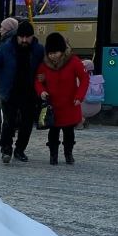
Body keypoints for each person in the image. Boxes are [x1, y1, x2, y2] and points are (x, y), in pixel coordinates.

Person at [0, 19, 44, 165]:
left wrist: (44, 78)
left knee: (27, 124)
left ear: (32, 37)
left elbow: (46, 67)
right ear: (17, 36)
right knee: (8, 123)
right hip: (9, 91)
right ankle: (6, 148)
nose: (24, 40)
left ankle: (20, 150)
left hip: (30, 92)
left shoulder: (38, 50)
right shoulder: (6, 48)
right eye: (21, 37)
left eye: (27, 37)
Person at [35, 32, 90, 165]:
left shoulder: (73, 61)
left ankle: (68, 154)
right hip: (52, 105)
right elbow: (37, 80)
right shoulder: (44, 64)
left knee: (68, 132)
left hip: (70, 104)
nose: (53, 56)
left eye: (56, 52)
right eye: (50, 53)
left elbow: (84, 79)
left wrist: (79, 96)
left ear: (62, 51)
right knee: (53, 131)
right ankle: (53, 155)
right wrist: (41, 91)